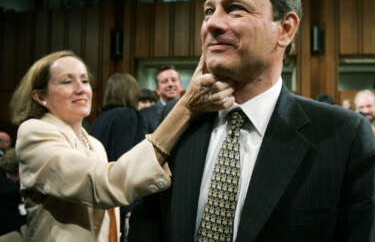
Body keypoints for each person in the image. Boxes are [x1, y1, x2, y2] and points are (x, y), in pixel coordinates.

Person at [130, 0, 375, 242]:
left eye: (235, 9)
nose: (212, 24)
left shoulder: (342, 135)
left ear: (286, 28)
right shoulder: (178, 119)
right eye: (208, 11)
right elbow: (146, 228)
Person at [9, 50, 234, 242]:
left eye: (85, 80)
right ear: (40, 97)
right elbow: (105, 184)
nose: (81, 89)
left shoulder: (94, 144)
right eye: (67, 81)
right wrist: (186, 107)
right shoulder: (33, 131)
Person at [89, 72, 145, 241]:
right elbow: (125, 161)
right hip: (119, 198)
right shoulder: (128, 116)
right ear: (131, 92)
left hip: (100, 195)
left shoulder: (100, 119)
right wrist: (129, 208)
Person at [140, 65, 183, 133]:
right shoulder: (145, 115)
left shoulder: (193, 112)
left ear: (181, 86)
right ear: (158, 90)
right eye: (165, 81)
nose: (170, 84)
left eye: (174, 80)